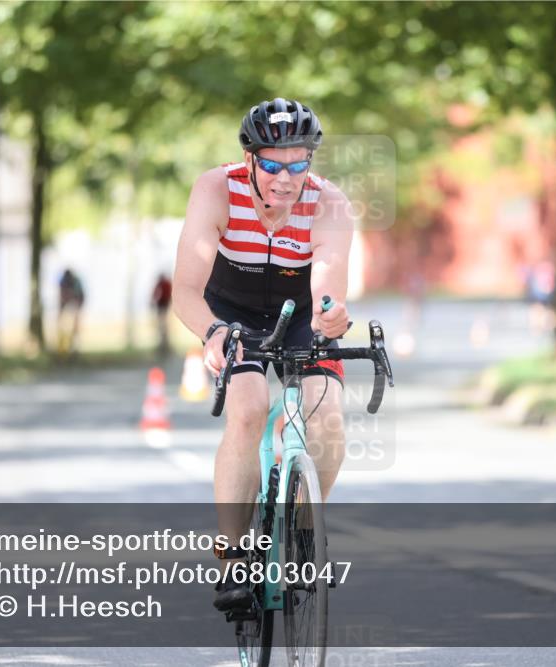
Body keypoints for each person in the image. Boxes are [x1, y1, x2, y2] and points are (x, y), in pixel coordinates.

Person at [173, 98, 356, 612]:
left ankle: (302, 530)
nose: (285, 177)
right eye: (273, 164)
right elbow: (186, 287)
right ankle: (232, 557)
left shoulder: (330, 203)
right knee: (250, 408)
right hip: (229, 311)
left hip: (298, 312)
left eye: (298, 163)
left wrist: (329, 314)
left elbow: (327, 284)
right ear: (251, 159)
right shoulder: (216, 190)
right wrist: (211, 333)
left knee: (326, 416)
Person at [57, 268, 85, 358]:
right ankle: (63, 349)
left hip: (74, 305)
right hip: (68, 306)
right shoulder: (63, 282)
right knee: (64, 329)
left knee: (73, 329)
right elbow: (61, 296)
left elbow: (80, 297)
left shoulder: (76, 282)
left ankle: (73, 349)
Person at [151, 273, 173, 355]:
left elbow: (157, 294)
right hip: (162, 306)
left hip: (163, 306)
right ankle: (163, 345)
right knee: (162, 327)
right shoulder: (164, 283)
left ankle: (164, 346)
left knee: (162, 326)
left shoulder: (164, 284)